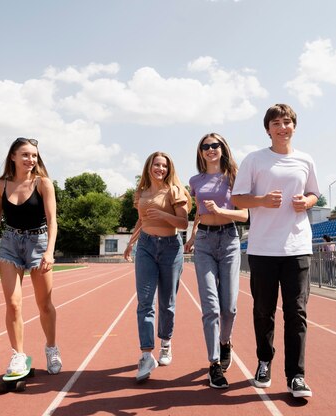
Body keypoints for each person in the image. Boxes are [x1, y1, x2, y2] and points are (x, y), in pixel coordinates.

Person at [231, 104, 320, 398]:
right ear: (267, 129)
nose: (283, 127)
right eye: (276, 123)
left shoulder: (305, 160)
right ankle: (264, 361)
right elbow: (238, 199)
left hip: (297, 246)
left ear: (294, 126)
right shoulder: (255, 160)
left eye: (287, 122)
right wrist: (261, 201)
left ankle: (296, 375)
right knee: (263, 310)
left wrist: (307, 203)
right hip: (263, 248)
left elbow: (314, 192)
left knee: (297, 312)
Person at [0, 137, 62, 377]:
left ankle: (51, 348)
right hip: (10, 244)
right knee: (13, 304)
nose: (30, 159)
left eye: (34, 155)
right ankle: (18, 354)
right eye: (25, 155)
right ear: (13, 157)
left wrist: (49, 251)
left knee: (44, 305)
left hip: (39, 243)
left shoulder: (43, 184)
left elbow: (52, 220)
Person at [184, 133, 248, 389]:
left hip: (230, 239)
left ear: (223, 148)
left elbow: (244, 214)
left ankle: (225, 342)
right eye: (205, 146)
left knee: (229, 307)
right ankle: (214, 364)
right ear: (200, 152)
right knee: (210, 306)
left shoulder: (235, 176)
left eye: (215, 145)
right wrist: (191, 236)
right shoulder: (194, 180)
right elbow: (198, 212)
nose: (210, 149)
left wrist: (221, 211)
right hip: (204, 243)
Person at [123, 151, 191, 381]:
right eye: (156, 165)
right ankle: (145, 354)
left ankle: (166, 343)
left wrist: (163, 214)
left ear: (169, 168)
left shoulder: (175, 191)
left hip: (171, 247)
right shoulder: (141, 192)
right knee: (144, 301)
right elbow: (141, 220)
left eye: (164, 165)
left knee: (167, 302)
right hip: (146, 247)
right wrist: (130, 244)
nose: (160, 169)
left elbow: (183, 223)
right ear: (149, 167)